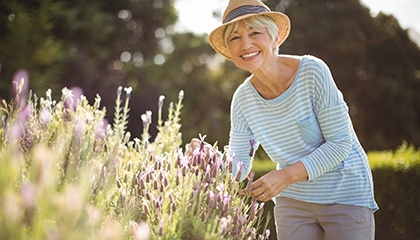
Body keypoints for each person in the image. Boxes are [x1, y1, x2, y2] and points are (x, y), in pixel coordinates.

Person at [187, 0, 378, 239]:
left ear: (274, 37)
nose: (245, 44)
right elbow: (239, 166)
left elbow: (340, 144)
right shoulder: (243, 99)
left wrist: (284, 176)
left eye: (255, 32)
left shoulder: (312, 72)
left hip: (344, 194)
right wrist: (208, 158)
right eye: (235, 38)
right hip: (292, 202)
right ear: (229, 50)